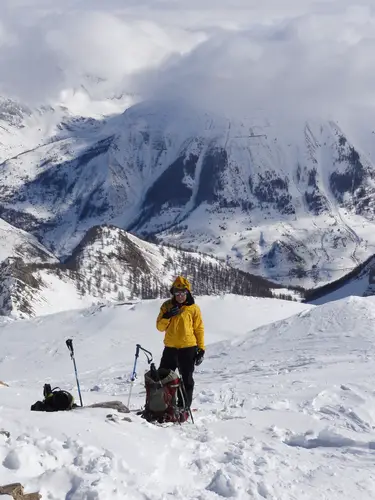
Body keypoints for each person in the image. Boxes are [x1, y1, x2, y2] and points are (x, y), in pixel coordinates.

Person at [156, 276, 205, 408]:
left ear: (187, 292)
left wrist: (201, 349)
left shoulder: (194, 308)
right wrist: (167, 316)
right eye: (177, 293)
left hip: (188, 348)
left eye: (183, 293)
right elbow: (160, 327)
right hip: (170, 348)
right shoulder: (167, 306)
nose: (180, 296)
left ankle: (184, 407)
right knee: (163, 377)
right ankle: (163, 405)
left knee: (187, 379)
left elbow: (199, 329)